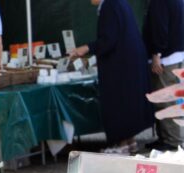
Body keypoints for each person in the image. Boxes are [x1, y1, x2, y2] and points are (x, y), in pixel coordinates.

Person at [71, 0, 153, 154]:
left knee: (119, 102)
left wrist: (87, 47)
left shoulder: (110, 6)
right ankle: (130, 142)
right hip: (129, 62)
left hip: (120, 64)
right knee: (128, 102)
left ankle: (121, 144)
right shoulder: (119, 3)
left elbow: (109, 39)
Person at [143, 0, 184, 151]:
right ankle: (166, 137)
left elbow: (160, 27)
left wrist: (156, 54)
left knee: (165, 99)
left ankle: (172, 140)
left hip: (165, 58)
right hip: (176, 54)